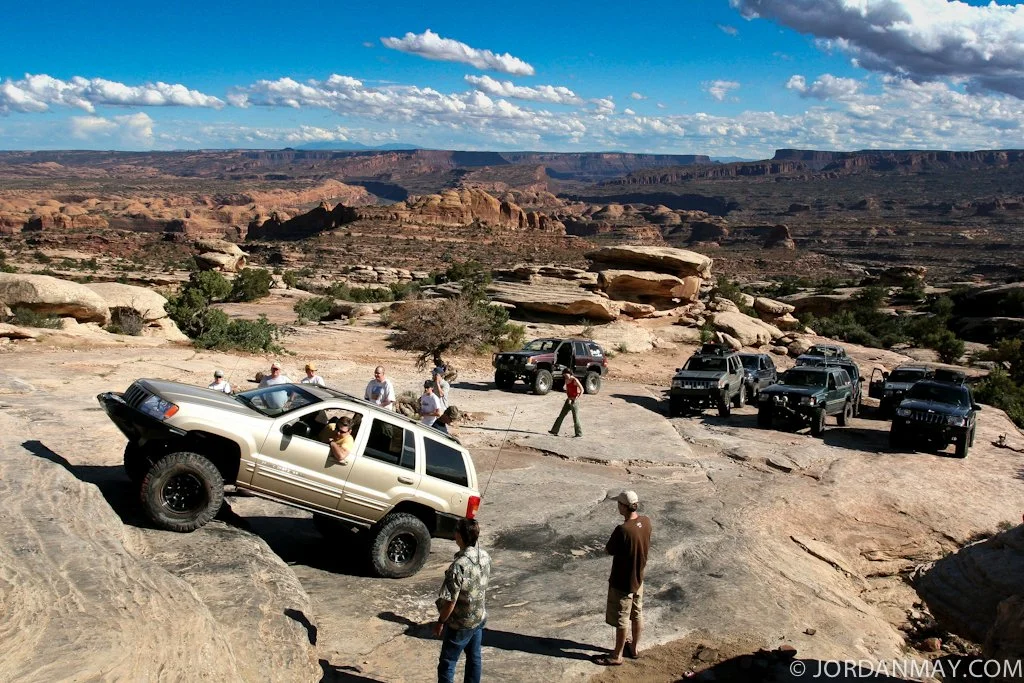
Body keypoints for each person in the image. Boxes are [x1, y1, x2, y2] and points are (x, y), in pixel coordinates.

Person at [595, 490, 652, 666]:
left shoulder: (623, 529)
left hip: (622, 582)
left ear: (623, 506)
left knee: (622, 619)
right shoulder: (646, 521)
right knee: (637, 614)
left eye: (618, 504)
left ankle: (616, 656)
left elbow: (609, 550)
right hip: (638, 578)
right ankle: (634, 649)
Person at [433, 518, 491, 683]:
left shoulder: (458, 566)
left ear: (459, 536)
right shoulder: (485, 556)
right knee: (474, 657)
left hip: (460, 624)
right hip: (478, 617)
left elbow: (451, 602)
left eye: (456, 531)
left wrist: (440, 621)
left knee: (447, 663)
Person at [549, 369, 583, 438]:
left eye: (566, 375)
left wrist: (576, 397)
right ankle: (554, 430)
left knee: (575, 418)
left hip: (574, 401)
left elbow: (582, 389)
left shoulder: (575, 380)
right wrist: (568, 397)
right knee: (561, 416)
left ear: (569, 373)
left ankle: (579, 433)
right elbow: (567, 389)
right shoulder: (566, 380)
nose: (565, 376)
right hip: (568, 400)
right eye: (564, 375)